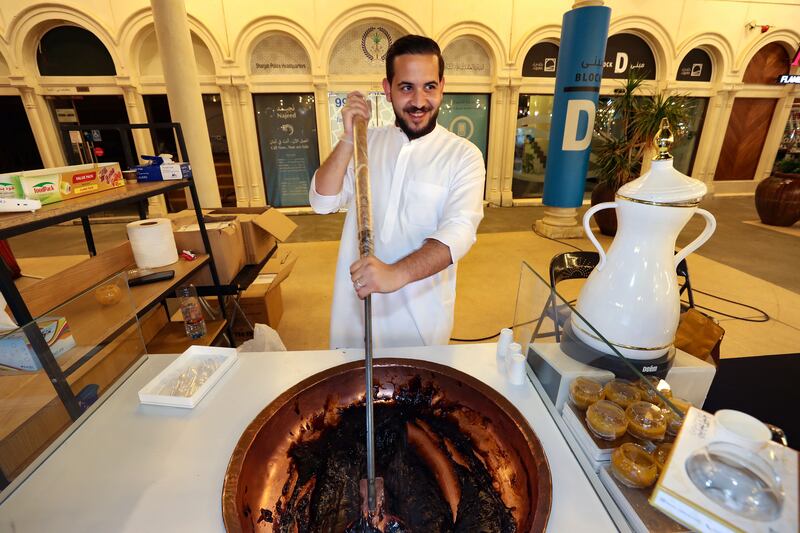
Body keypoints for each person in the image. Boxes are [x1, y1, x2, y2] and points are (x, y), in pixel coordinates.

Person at [309, 35, 485, 349]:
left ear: (442, 86)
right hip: (355, 316)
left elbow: (459, 232)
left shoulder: (463, 155)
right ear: (387, 89)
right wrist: (349, 139)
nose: (419, 101)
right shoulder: (366, 144)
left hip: (419, 324)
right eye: (406, 87)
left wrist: (395, 274)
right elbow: (322, 202)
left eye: (429, 86)